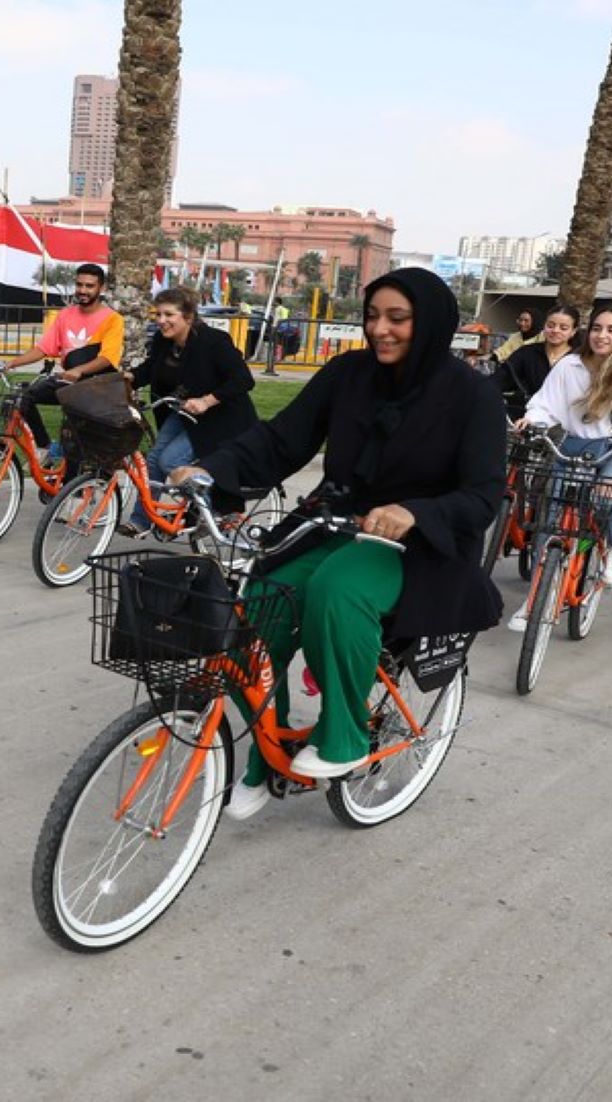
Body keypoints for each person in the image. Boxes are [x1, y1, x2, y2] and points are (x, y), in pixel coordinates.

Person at [169, 268, 504, 815]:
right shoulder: (348, 373)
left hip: (420, 547)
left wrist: (413, 512)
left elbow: (484, 495)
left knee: (338, 588)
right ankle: (264, 752)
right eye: (373, 316)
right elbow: (282, 439)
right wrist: (208, 467)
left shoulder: (474, 397)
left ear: (432, 324)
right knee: (261, 601)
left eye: (398, 319)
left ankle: (344, 736)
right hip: (333, 522)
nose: (380, 330)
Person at [512, 305, 612, 621]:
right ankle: (534, 602)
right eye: (597, 328)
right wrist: (532, 420)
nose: (602, 335)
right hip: (574, 444)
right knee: (549, 517)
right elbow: (545, 404)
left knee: (607, 496)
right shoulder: (570, 366)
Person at [120, 286, 258, 535]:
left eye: (169, 315)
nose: (162, 321)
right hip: (184, 412)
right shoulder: (164, 341)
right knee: (154, 460)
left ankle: (215, 509)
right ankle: (142, 520)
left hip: (221, 418)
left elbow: (243, 380)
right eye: (158, 314)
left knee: (170, 460)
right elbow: (152, 368)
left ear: (188, 317)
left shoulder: (214, 342)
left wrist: (207, 400)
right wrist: (129, 377)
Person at [0, 264, 124, 460]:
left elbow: (107, 358)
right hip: (68, 382)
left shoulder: (113, 319)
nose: (83, 290)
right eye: (79, 285)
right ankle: (44, 447)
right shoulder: (65, 315)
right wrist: (10, 364)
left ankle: (73, 487)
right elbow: (43, 349)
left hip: (94, 388)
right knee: (21, 399)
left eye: (90, 286)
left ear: (101, 288)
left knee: (72, 442)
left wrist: (78, 371)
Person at [497, 304, 579, 420]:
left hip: (569, 423)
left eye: (563, 328)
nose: (555, 330)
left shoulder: (580, 359)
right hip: (527, 420)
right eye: (550, 325)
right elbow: (499, 379)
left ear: (573, 331)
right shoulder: (526, 353)